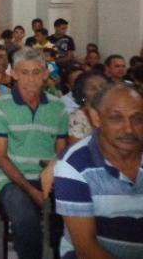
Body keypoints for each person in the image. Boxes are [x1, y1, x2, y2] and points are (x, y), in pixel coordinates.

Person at [0, 47, 68, 259]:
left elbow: (61, 153)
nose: (31, 79)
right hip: (14, 180)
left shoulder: (58, 108)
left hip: (50, 178)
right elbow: (1, 157)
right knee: (26, 220)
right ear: (13, 74)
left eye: (36, 72)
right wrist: (33, 192)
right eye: (24, 72)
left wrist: (48, 182)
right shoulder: (0, 106)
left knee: (75, 215)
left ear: (45, 74)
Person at [54, 83, 143, 258]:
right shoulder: (75, 164)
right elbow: (86, 248)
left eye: (137, 119)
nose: (128, 129)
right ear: (96, 118)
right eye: (116, 118)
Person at [68, 70, 109, 144]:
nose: (100, 91)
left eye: (103, 86)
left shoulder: (112, 113)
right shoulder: (76, 118)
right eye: (93, 88)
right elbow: (76, 150)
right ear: (82, 93)